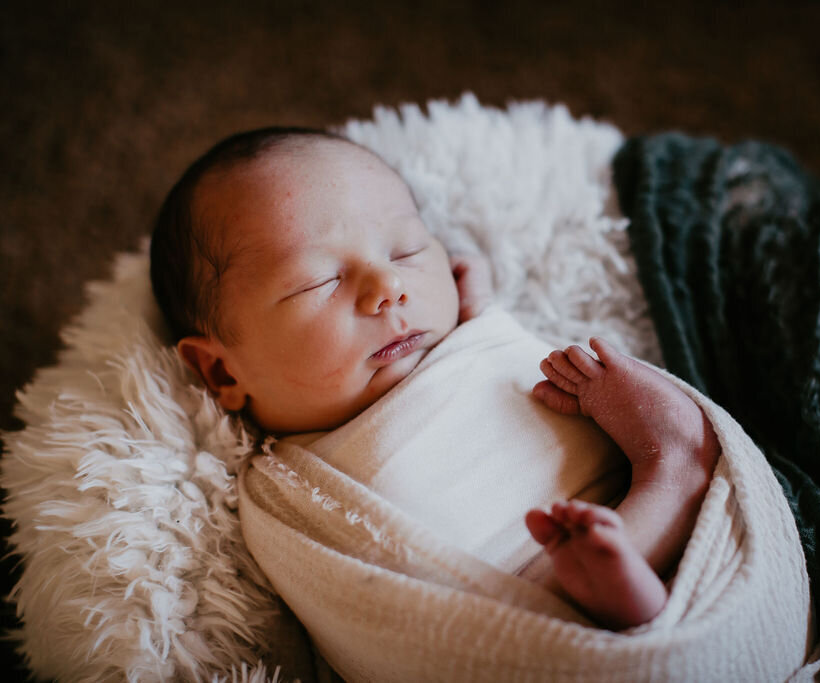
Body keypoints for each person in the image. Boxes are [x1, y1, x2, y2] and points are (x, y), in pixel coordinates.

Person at [149, 127, 720, 631]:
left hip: (692, 554)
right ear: (223, 369)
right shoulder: (283, 495)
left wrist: (485, 318)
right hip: (512, 620)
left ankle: (665, 494)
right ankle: (667, 484)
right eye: (316, 282)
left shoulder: (473, 337)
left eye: (407, 250)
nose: (388, 288)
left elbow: (506, 362)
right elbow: (373, 626)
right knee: (568, 592)